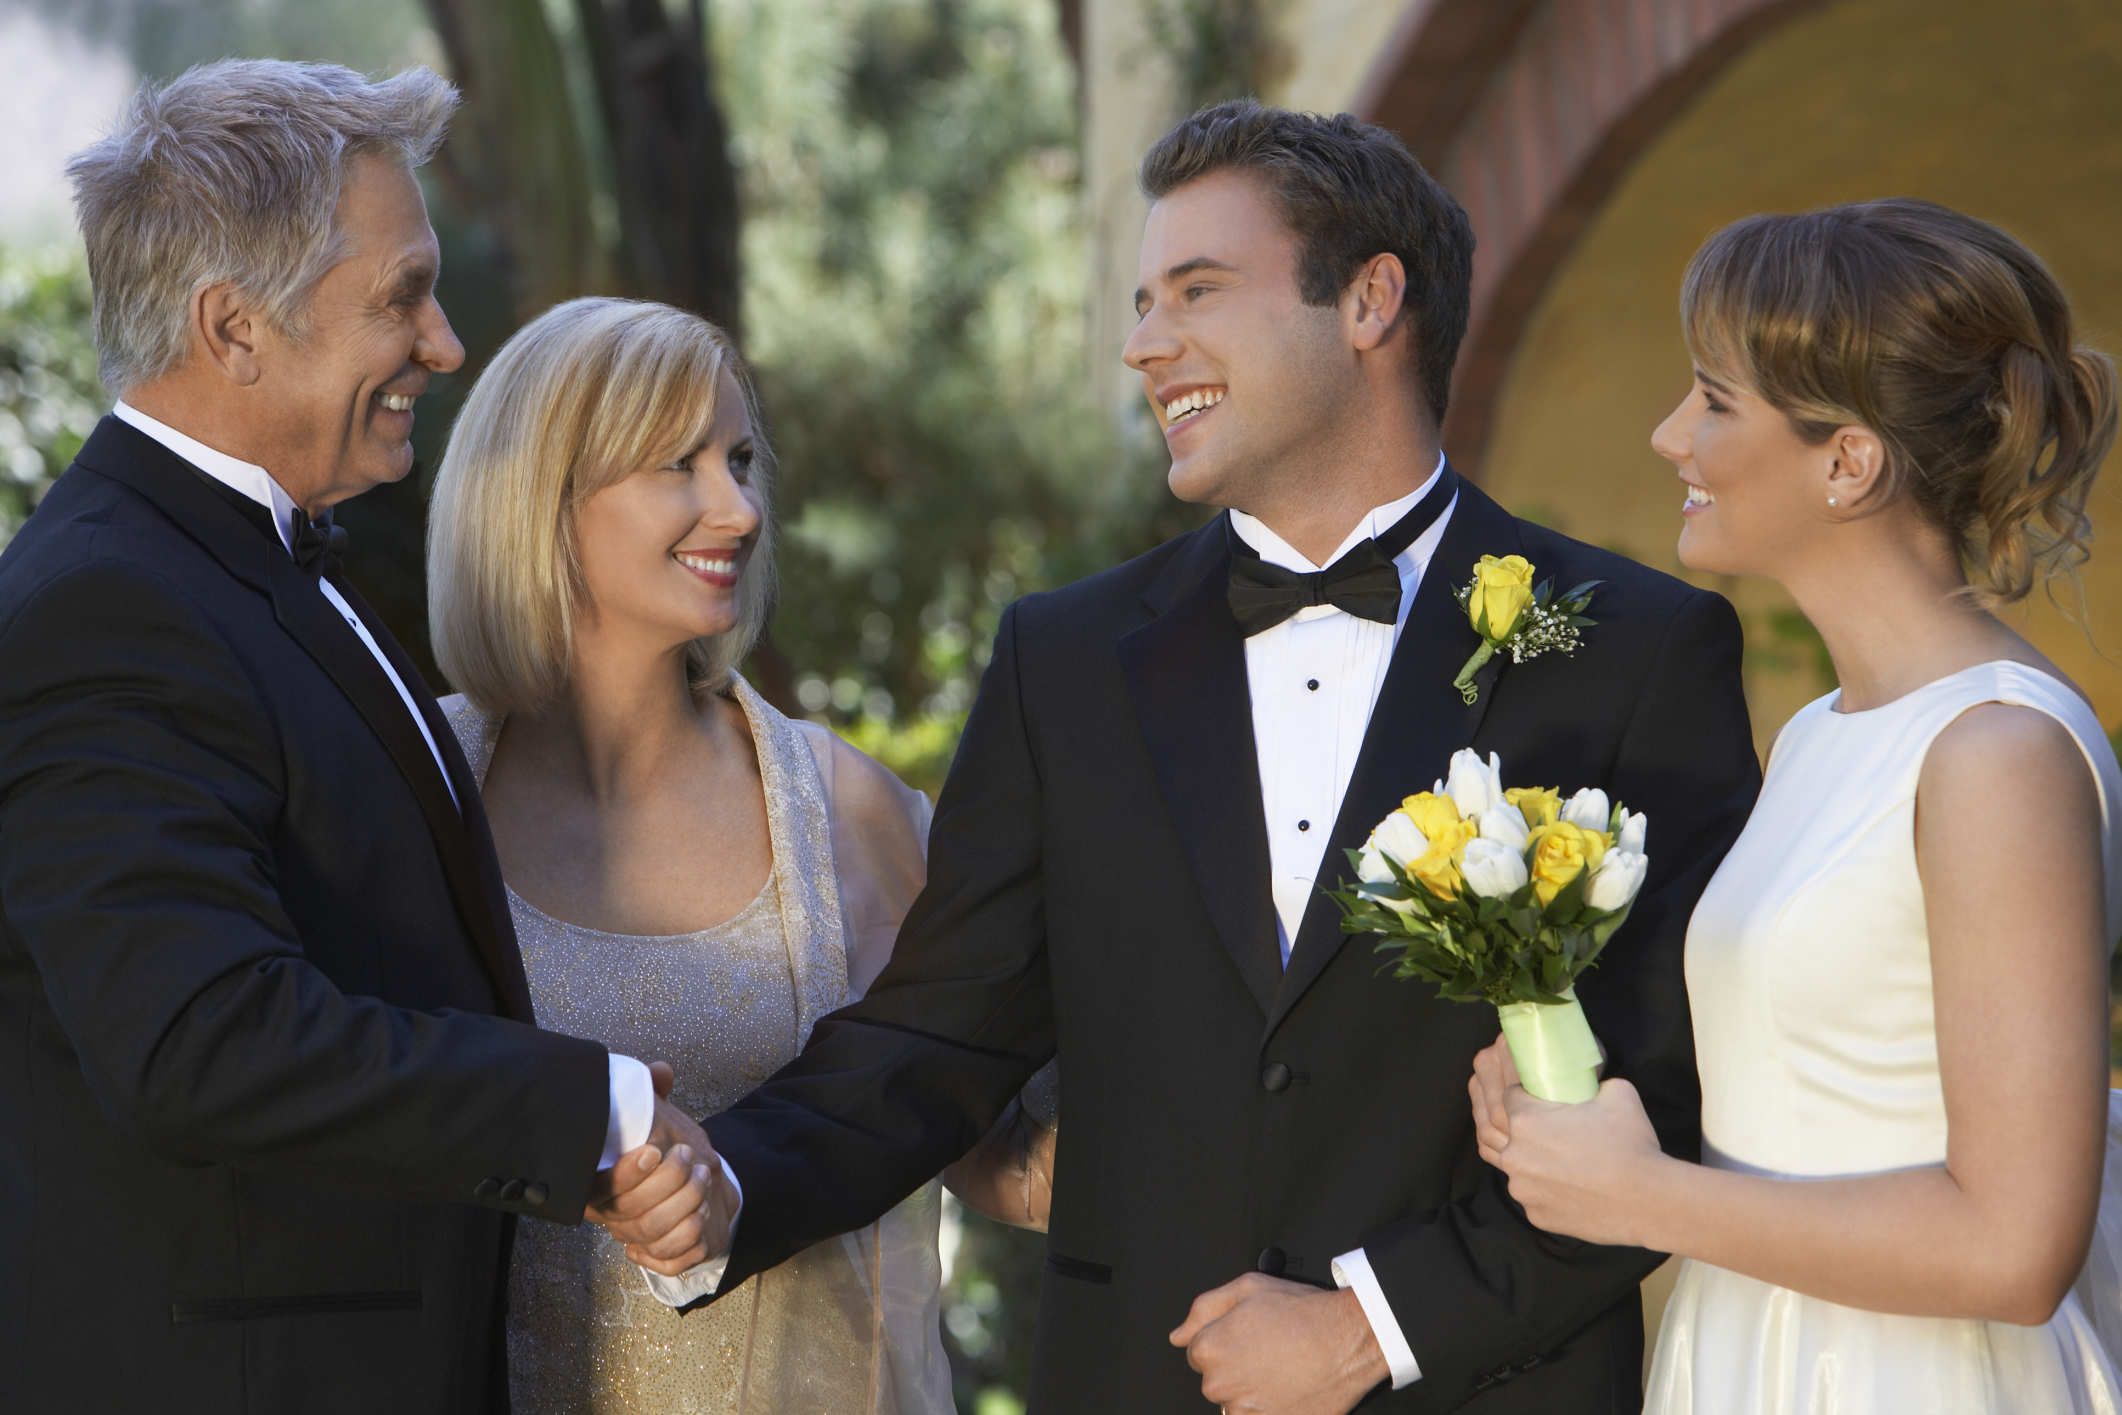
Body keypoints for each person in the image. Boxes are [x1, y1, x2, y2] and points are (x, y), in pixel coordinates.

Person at [671, 99, 1763, 1411]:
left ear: (1368, 302)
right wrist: (721, 1181)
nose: (1143, 345)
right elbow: (939, 1030)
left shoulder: (1632, 649)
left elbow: (1675, 1082)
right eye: (1140, 301)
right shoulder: (1061, 661)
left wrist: (1372, 1326)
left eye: (1195, 289)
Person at [0, 61, 730, 1413]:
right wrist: (596, 1111)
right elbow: (199, 1038)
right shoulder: (106, 605)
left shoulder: (246, 569)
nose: (446, 343)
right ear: (234, 328)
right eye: (402, 294)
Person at [1469, 198, 2122, 1413]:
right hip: (1755, 1354)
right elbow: (1815, 1082)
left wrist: (1642, 1196)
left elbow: (2014, 1247)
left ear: (1848, 459)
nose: (1671, 434)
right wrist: (1560, 1105)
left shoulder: (1994, 752)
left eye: (1714, 399)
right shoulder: (1826, 732)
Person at [425, 295, 1054, 1413]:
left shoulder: (847, 810)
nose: (740, 507)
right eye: (679, 463)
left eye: (741, 458)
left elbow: (986, 1144)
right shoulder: (414, 794)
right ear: (540, 497)